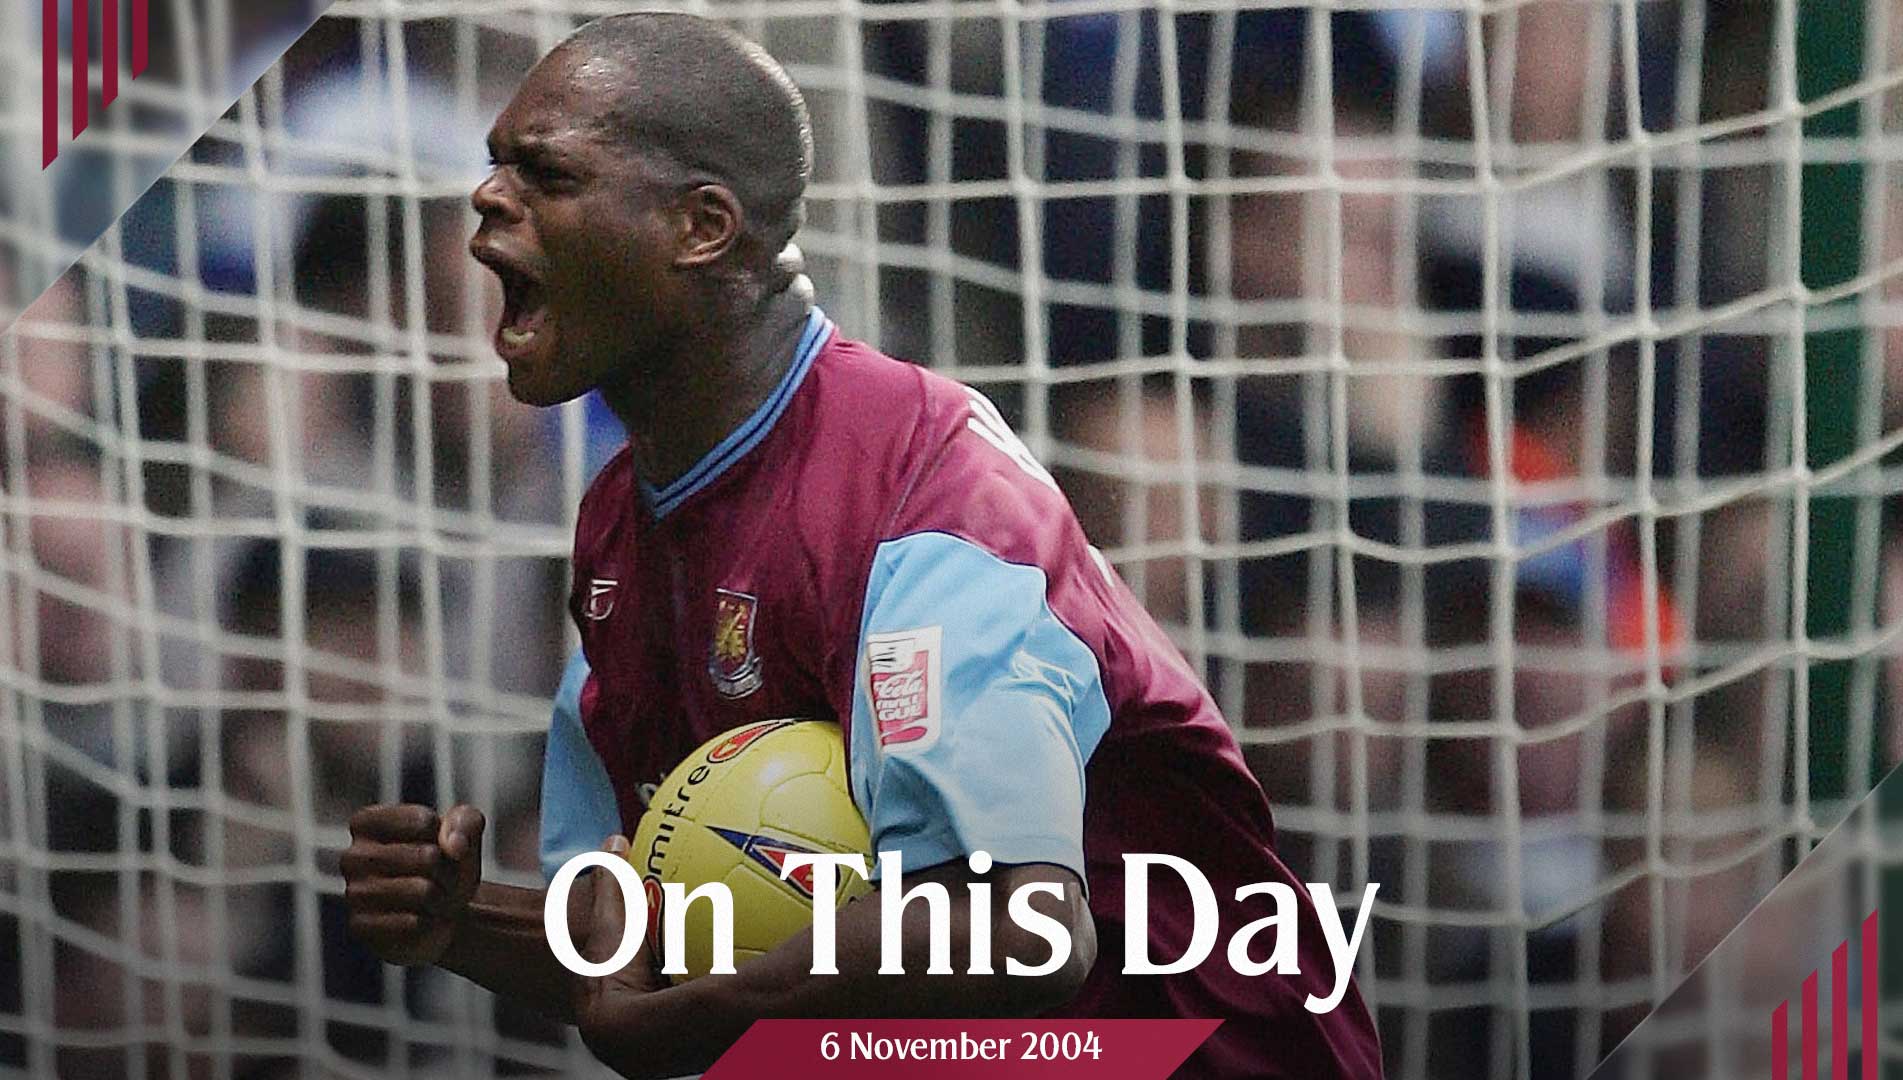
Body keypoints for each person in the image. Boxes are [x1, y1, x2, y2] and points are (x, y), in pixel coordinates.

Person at [337, 13, 1384, 1078]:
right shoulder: (621, 522)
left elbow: (1023, 933)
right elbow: (639, 950)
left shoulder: (923, 497)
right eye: (493, 166)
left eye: (545, 174)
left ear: (701, 227)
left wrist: (717, 1020)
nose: (484, 199)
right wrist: (460, 924)